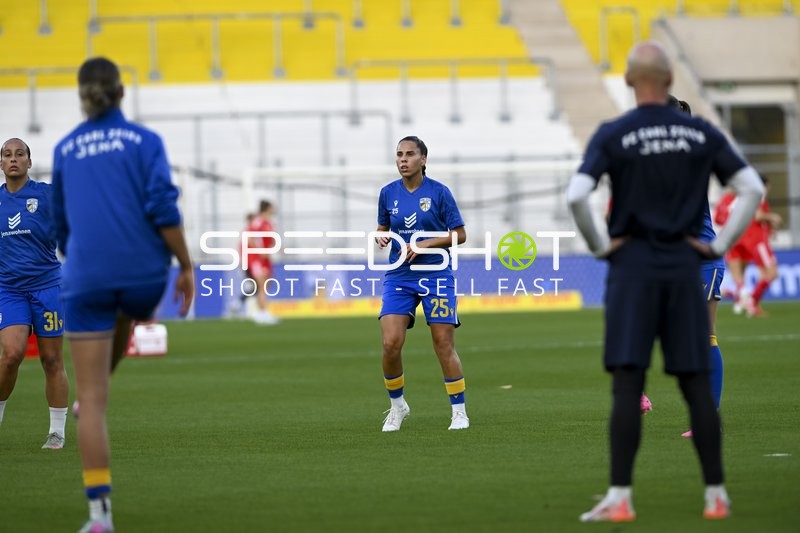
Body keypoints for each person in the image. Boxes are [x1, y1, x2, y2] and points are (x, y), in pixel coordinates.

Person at [567, 42, 763, 522]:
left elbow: (577, 196)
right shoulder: (700, 134)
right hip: (686, 265)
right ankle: (716, 494)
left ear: (631, 82)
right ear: (671, 80)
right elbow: (752, 189)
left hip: (635, 269)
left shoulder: (615, 133)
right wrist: (718, 247)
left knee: (628, 380)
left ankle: (620, 498)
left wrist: (598, 247)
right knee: (696, 374)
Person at [51, 57, 194, 533]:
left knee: (92, 402)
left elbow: (62, 227)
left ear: (82, 95)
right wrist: (186, 265)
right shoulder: (145, 141)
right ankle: (106, 366)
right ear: (121, 92)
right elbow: (161, 207)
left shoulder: (66, 148)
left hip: (86, 276)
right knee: (128, 309)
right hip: (142, 277)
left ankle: (99, 517)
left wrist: (83, 259)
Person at [375, 136, 469, 432]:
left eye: (410, 154)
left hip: (436, 274)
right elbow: (383, 226)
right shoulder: (387, 193)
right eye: (399, 155)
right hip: (399, 275)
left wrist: (428, 243)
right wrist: (381, 236)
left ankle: (459, 411)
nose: (403, 160)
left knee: (443, 343)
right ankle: (397, 406)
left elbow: (460, 234)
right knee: (390, 343)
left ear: (423, 159)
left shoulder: (440, 193)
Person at [0, 138, 69, 449]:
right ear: (1, 164)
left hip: (47, 287)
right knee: (11, 356)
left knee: (51, 360)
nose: (13, 159)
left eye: (19, 154)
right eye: (7, 155)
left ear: (29, 162)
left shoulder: (47, 195)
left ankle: (57, 432)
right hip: (9, 289)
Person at [714, 174, 781, 317]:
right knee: (770, 272)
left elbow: (718, 220)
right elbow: (757, 216)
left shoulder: (725, 200)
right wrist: (773, 218)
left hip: (732, 239)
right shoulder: (755, 194)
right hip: (753, 239)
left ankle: (738, 297)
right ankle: (751, 302)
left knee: (739, 273)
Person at [245, 200, 279, 325]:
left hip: (266, 259)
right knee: (262, 285)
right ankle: (262, 313)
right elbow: (250, 239)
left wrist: (277, 247)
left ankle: (262, 312)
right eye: (272, 207)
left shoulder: (269, 223)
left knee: (267, 285)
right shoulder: (258, 221)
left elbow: (271, 240)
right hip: (257, 259)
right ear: (267, 208)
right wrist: (260, 251)